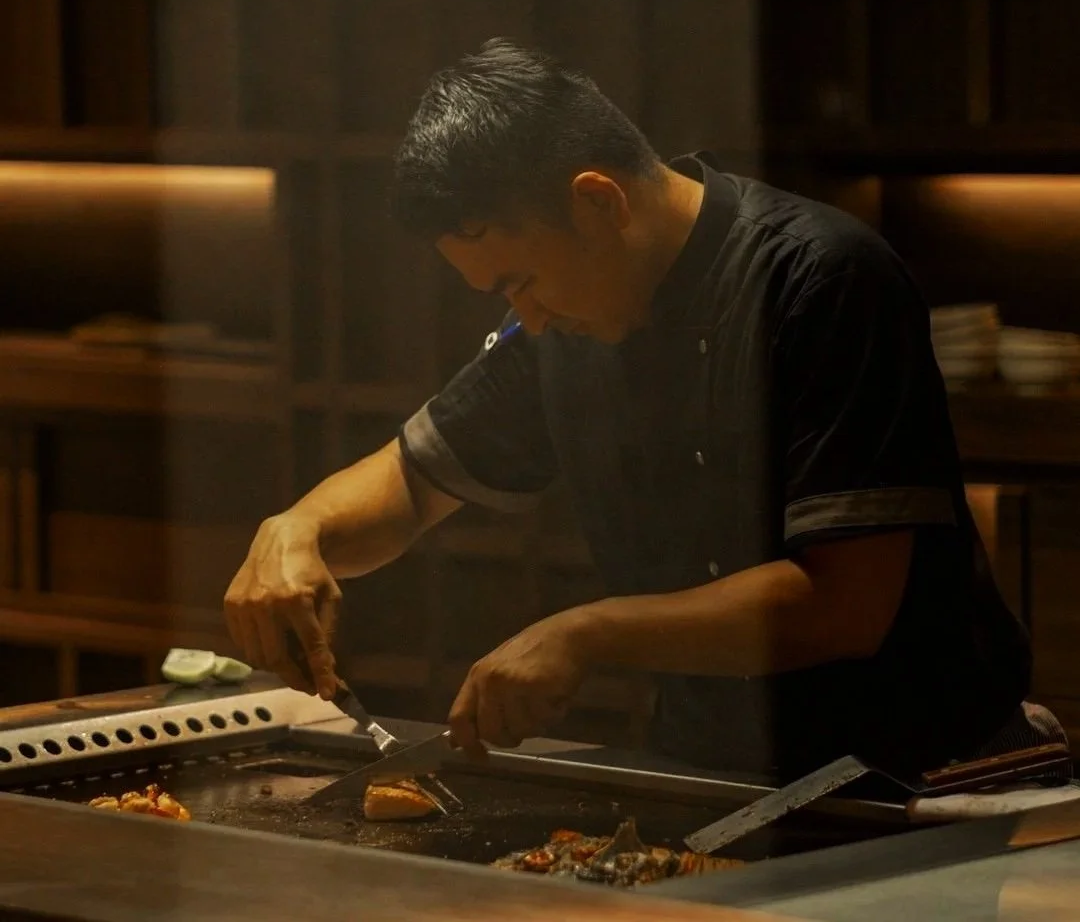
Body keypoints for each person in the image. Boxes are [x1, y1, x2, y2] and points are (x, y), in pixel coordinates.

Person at [225, 38, 1051, 781]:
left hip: (921, 776)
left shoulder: (822, 278)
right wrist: (297, 531)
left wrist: (588, 631)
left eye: (520, 281)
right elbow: (413, 480)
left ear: (598, 203)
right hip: (719, 772)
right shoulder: (570, 319)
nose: (527, 315)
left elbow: (844, 603)